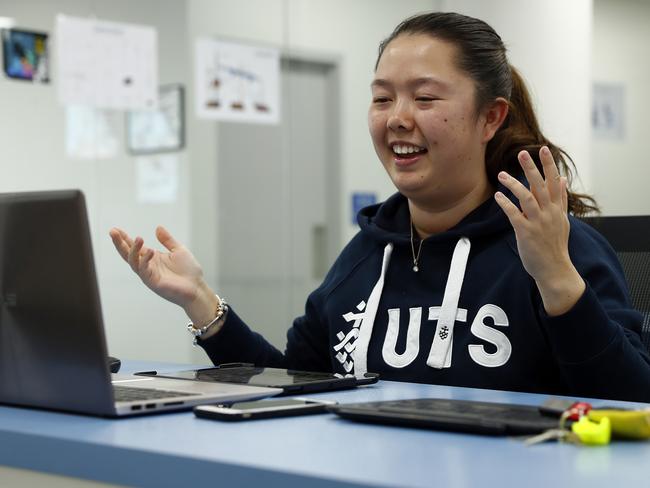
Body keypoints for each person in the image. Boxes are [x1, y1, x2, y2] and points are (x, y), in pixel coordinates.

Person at [110, 11, 650, 402]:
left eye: (425, 97)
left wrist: (558, 282)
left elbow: (634, 400)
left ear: (491, 118)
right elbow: (293, 386)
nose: (397, 117)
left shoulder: (559, 245)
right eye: (383, 97)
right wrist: (202, 304)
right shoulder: (366, 255)